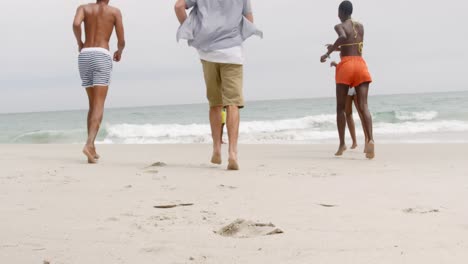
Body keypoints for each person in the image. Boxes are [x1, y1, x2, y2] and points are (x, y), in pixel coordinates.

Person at [175, 0, 262, 170]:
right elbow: (250, 21)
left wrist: (192, 31)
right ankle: (232, 153)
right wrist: (235, 37)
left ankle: (216, 149)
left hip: (207, 52)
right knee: (233, 103)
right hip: (232, 52)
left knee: (215, 103)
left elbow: (178, 6)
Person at [321, 0, 375, 159]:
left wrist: (328, 52)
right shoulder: (360, 26)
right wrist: (336, 46)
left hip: (346, 66)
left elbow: (343, 36)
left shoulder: (339, 26)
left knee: (340, 108)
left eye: (338, 12)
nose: (338, 16)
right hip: (360, 64)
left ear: (342, 12)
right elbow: (352, 43)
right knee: (364, 105)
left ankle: (342, 143)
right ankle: (370, 140)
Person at [73, 0, 125, 163]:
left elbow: (75, 24)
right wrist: (119, 51)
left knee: (92, 104)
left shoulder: (83, 8)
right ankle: (88, 144)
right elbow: (121, 40)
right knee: (99, 104)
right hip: (101, 54)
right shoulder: (114, 11)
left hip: (85, 55)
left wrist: (80, 42)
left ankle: (92, 147)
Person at [330, 61, 369, 149]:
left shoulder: (352, 57)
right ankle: (354, 141)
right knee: (348, 114)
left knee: (361, 113)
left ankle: (367, 139)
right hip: (347, 88)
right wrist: (336, 65)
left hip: (354, 86)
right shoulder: (345, 61)